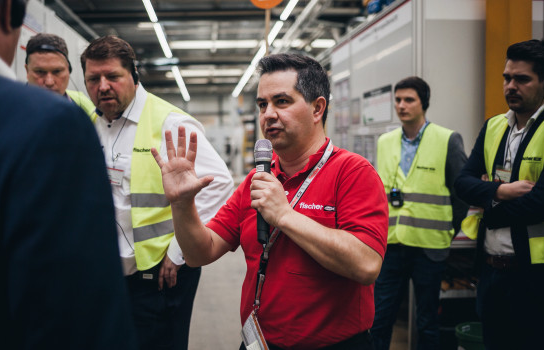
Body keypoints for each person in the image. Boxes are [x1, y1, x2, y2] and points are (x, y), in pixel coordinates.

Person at [0, 0, 138, 349]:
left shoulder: (79, 114)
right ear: (8, 10)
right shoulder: (44, 124)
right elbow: (78, 311)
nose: (49, 81)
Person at [152, 53, 389, 350]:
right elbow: (201, 252)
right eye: (263, 104)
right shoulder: (258, 179)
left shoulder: (353, 172)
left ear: (318, 108)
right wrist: (182, 204)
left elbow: (367, 264)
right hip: (261, 343)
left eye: (282, 102)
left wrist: (285, 216)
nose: (268, 114)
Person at [80, 35, 233, 350]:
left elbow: (219, 183)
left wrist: (179, 252)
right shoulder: (90, 124)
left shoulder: (169, 122)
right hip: (109, 275)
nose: (103, 86)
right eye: (93, 79)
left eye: (113, 76)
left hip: (161, 277)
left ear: (134, 77)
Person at [454, 39, 544, 350]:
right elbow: (462, 183)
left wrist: (488, 207)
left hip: (535, 277)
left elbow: (539, 204)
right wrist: (501, 190)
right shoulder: (494, 126)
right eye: (507, 78)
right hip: (491, 273)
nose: (511, 86)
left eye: (522, 79)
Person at [371, 76, 468, 350]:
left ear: (423, 103)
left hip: (429, 247)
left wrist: (449, 228)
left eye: (409, 100)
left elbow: (460, 192)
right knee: (380, 318)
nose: (401, 105)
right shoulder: (385, 141)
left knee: (427, 322)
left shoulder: (447, 139)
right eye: (398, 100)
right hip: (391, 244)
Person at [25, 32, 95, 116]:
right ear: (27, 70)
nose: (49, 82)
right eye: (40, 72)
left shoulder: (83, 106)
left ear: (69, 70)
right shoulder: (8, 108)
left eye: (57, 71)